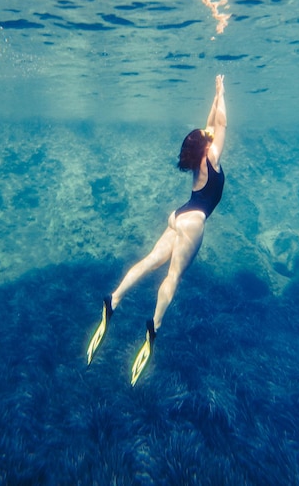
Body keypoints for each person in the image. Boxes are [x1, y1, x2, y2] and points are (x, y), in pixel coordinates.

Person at [87, 75, 227, 385]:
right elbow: (222, 126)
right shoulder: (212, 158)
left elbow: (211, 125)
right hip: (194, 220)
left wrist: (215, 96)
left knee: (152, 259)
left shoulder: (198, 159)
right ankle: (155, 327)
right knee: (172, 275)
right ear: (207, 146)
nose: (211, 134)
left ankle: (113, 300)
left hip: (179, 214)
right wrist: (223, 92)